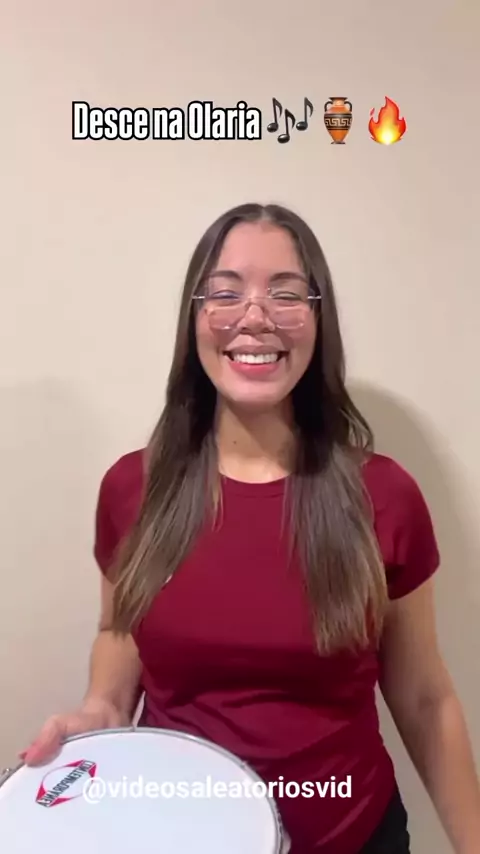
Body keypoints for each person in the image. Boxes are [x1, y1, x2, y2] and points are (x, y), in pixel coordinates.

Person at [22, 203, 480, 853]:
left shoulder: (385, 497)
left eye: (286, 294)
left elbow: (426, 699)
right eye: (226, 292)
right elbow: (120, 631)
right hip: (179, 834)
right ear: (194, 318)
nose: (255, 316)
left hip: (355, 836)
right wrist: (102, 707)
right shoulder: (131, 490)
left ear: (319, 321)